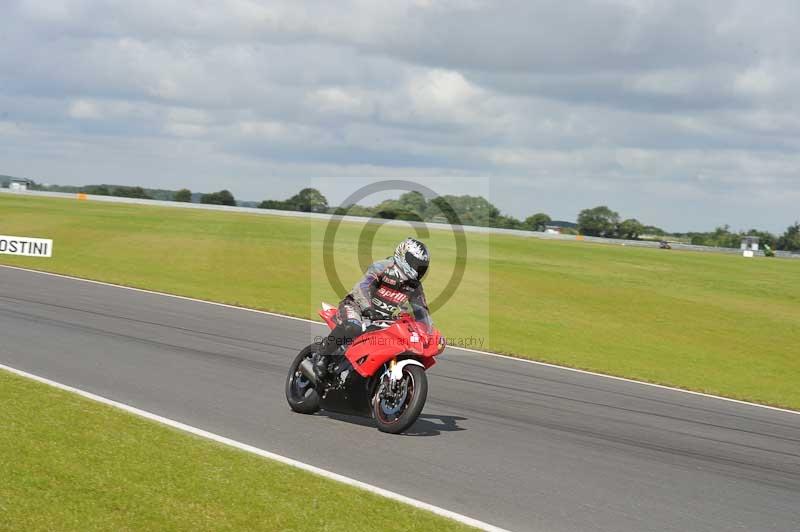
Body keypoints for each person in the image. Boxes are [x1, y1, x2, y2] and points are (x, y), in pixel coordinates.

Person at [314, 238, 433, 379]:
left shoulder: (415, 286)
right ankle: (322, 355)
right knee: (353, 327)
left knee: (391, 343)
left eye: (421, 267)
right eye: (415, 264)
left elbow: (421, 310)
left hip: (381, 319)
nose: (418, 269)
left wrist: (426, 331)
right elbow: (363, 287)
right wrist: (368, 308)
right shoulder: (383, 267)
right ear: (403, 256)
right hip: (355, 306)